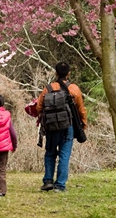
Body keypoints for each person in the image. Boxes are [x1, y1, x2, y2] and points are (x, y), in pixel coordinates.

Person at [36, 61, 87, 192]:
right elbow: (81, 109)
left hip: (51, 126)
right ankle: (60, 185)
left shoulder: (48, 88)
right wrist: (83, 124)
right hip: (67, 126)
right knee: (64, 155)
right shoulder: (74, 89)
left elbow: (39, 107)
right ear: (69, 73)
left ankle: (48, 181)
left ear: (56, 73)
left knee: (50, 153)